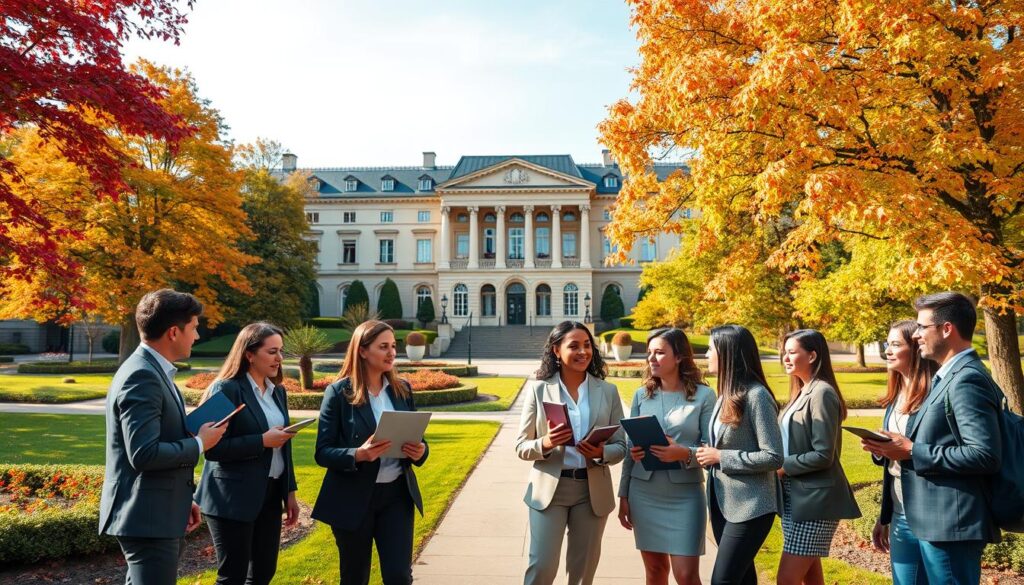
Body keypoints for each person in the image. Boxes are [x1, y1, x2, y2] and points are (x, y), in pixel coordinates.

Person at [862, 292, 1003, 585]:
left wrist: (913, 451)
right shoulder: (948, 377)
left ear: (946, 329)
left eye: (921, 327)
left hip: (949, 525)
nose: (917, 336)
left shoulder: (967, 378)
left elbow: (985, 454)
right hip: (923, 518)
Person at [99, 289, 228, 585]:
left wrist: (181, 499)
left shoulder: (150, 370)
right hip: (146, 517)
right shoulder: (141, 375)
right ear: (173, 332)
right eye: (194, 328)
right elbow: (144, 453)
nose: (196, 336)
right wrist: (200, 443)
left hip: (157, 512)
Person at [312, 320, 429, 585]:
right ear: (363, 351)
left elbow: (419, 439)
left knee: (399, 576)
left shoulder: (402, 389)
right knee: (355, 577)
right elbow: (322, 451)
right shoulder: (339, 392)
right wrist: (358, 454)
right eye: (383, 347)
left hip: (397, 496)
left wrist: (420, 450)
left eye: (393, 346)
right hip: (353, 498)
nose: (392, 353)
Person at [515, 321, 628, 585]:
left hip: (591, 492)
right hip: (549, 491)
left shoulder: (608, 391)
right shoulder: (538, 389)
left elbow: (621, 445)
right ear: (556, 351)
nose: (583, 352)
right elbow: (521, 446)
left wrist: (601, 451)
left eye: (587, 345)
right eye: (574, 346)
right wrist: (545, 442)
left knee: (582, 574)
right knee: (542, 567)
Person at [193, 322, 300, 585]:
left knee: (263, 573)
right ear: (249, 354)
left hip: (270, 493)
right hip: (231, 498)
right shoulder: (227, 389)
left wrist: (290, 492)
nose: (279, 358)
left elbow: (283, 446)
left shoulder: (279, 392)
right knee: (233, 577)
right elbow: (212, 448)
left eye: (281, 351)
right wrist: (261, 441)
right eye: (272, 351)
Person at [618, 328, 715, 585]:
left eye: (659, 352)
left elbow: (711, 447)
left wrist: (683, 453)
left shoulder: (705, 396)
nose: (651, 358)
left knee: (686, 575)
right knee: (655, 572)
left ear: (680, 356)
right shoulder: (642, 395)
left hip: (686, 495)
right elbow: (630, 453)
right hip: (644, 493)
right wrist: (623, 496)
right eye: (650, 352)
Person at [695, 324, 783, 585]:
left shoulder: (757, 396)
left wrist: (722, 457)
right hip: (723, 503)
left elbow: (773, 456)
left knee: (722, 581)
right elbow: (716, 449)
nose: (706, 355)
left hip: (752, 507)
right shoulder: (725, 395)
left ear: (727, 353)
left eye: (711, 349)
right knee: (743, 580)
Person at [776, 329, 861, 585]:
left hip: (815, 500)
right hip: (794, 496)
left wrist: (780, 467)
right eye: (784, 352)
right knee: (811, 577)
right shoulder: (802, 391)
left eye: (792, 352)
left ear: (812, 355)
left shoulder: (822, 392)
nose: (785, 358)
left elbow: (823, 455)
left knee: (786, 579)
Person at [868, 319, 938, 584]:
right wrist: (880, 448)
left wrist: (906, 450)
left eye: (895, 344)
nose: (887, 350)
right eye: (888, 343)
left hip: (932, 515)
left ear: (917, 348)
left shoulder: (936, 395)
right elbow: (895, 460)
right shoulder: (896, 395)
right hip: (900, 512)